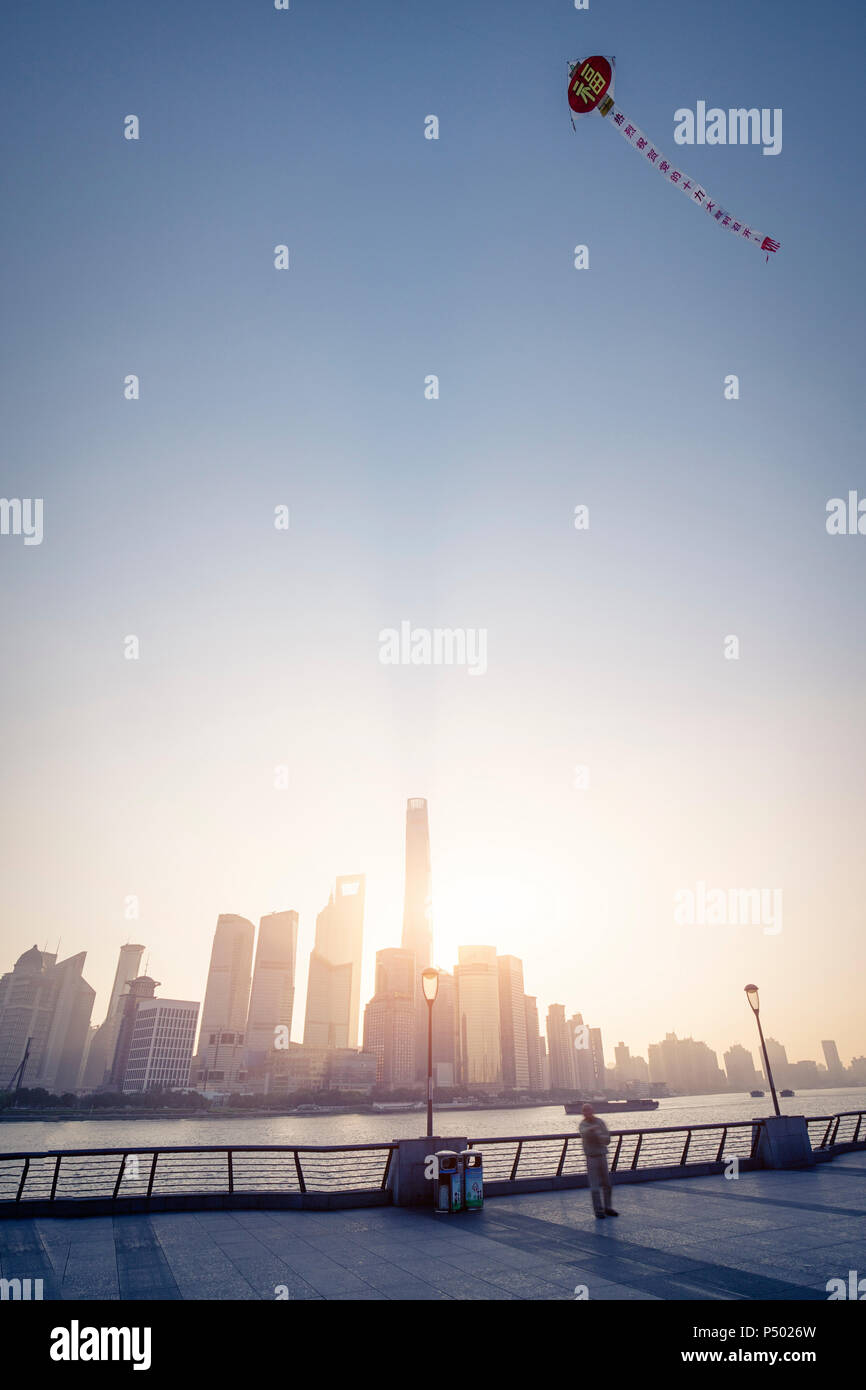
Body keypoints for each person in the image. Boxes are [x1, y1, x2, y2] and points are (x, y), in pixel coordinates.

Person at [578, 1103, 619, 1219]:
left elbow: (607, 1139)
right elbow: (584, 1133)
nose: (588, 1113)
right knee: (594, 1185)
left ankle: (608, 1208)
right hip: (591, 1157)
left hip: (602, 1155)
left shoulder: (600, 1122)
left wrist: (599, 1135)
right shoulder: (583, 1124)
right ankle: (598, 1210)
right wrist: (592, 1130)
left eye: (589, 1110)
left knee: (607, 1183)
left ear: (593, 1111)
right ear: (583, 1113)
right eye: (585, 1111)